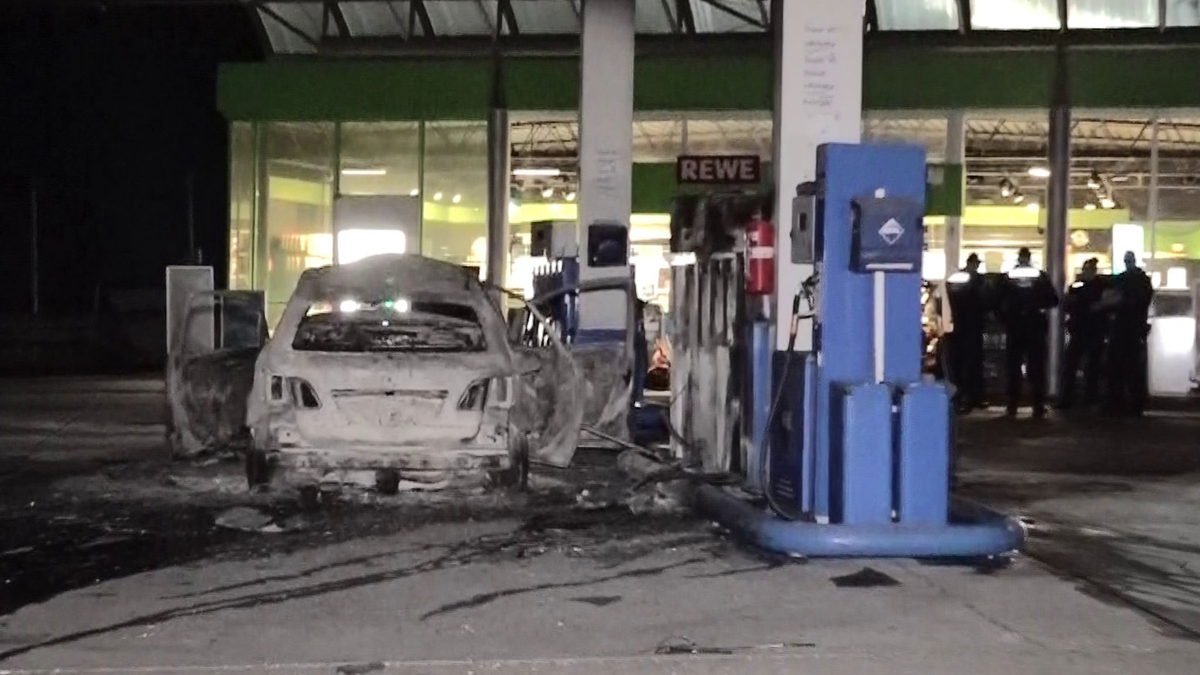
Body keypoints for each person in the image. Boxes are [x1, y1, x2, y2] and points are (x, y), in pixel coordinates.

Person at [998, 247, 1059, 419]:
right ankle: (1038, 406)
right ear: (1029, 258)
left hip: (1015, 326)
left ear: (1019, 258)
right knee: (1037, 367)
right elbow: (1053, 300)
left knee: (1013, 366)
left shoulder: (1009, 277)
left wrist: (1007, 318)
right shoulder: (1039, 277)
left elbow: (996, 300)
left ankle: (1012, 406)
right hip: (1035, 327)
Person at [1106, 251, 1154, 416]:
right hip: (1133, 328)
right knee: (1132, 368)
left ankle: (1118, 402)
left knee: (1120, 367)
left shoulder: (1123, 280)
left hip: (1125, 328)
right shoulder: (1141, 280)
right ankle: (1134, 403)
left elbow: (1116, 299)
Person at [1058, 258, 1108, 409]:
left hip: (1091, 330)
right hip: (1082, 330)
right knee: (1074, 366)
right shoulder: (1087, 286)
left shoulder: (1100, 286)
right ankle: (1073, 398)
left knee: (1089, 367)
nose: (1085, 272)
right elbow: (1067, 304)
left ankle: (1087, 398)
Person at [944, 253, 988, 412]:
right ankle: (973, 397)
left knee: (962, 364)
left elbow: (951, 294)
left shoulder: (957, 278)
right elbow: (985, 300)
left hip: (960, 326)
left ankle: (965, 397)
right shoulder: (977, 281)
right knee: (973, 364)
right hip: (973, 326)